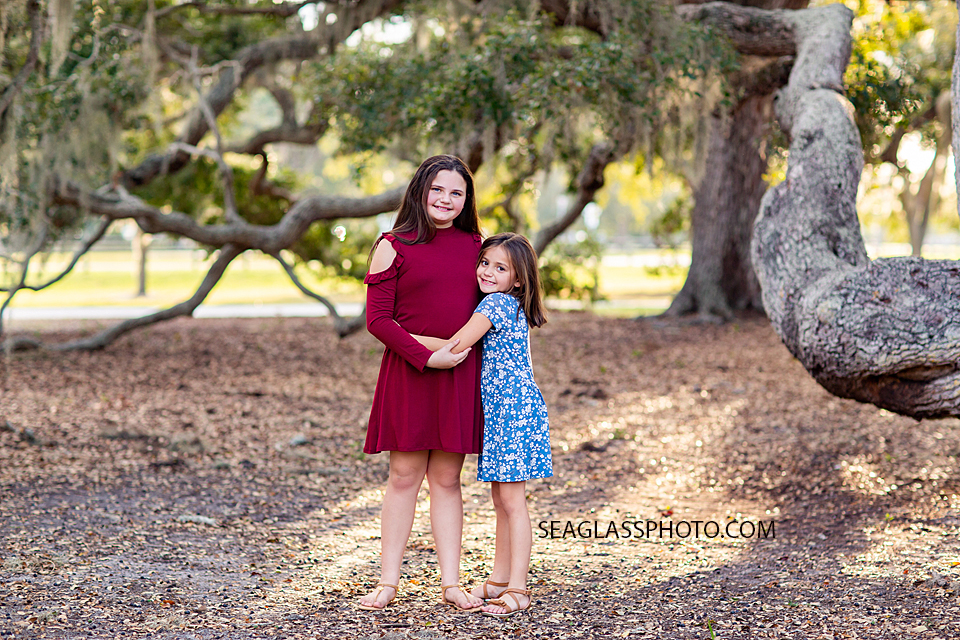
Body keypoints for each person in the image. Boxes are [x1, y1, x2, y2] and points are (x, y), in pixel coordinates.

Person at [357, 155, 486, 612]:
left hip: (459, 373)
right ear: (420, 190)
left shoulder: (479, 247)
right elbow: (377, 320)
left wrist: (453, 354)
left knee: (447, 480)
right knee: (404, 476)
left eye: (456, 193)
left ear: (466, 200)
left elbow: (492, 313)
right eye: (438, 189)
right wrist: (427, 355)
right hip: (412, 372)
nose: (446, 199)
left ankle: (452, 583)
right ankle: (388, 582)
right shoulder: (392, 244)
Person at [411, 232, 552, 617]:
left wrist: (403, 336)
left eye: (500, 267)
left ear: (518, 279)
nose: (487, 271)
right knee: (501, 499)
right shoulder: (507, 305)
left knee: (511, 500)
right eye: (484, 262)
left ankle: (519, 589)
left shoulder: (495, 305)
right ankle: (499, 579)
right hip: (511, 411)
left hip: (513, 412)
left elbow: (456, 345)